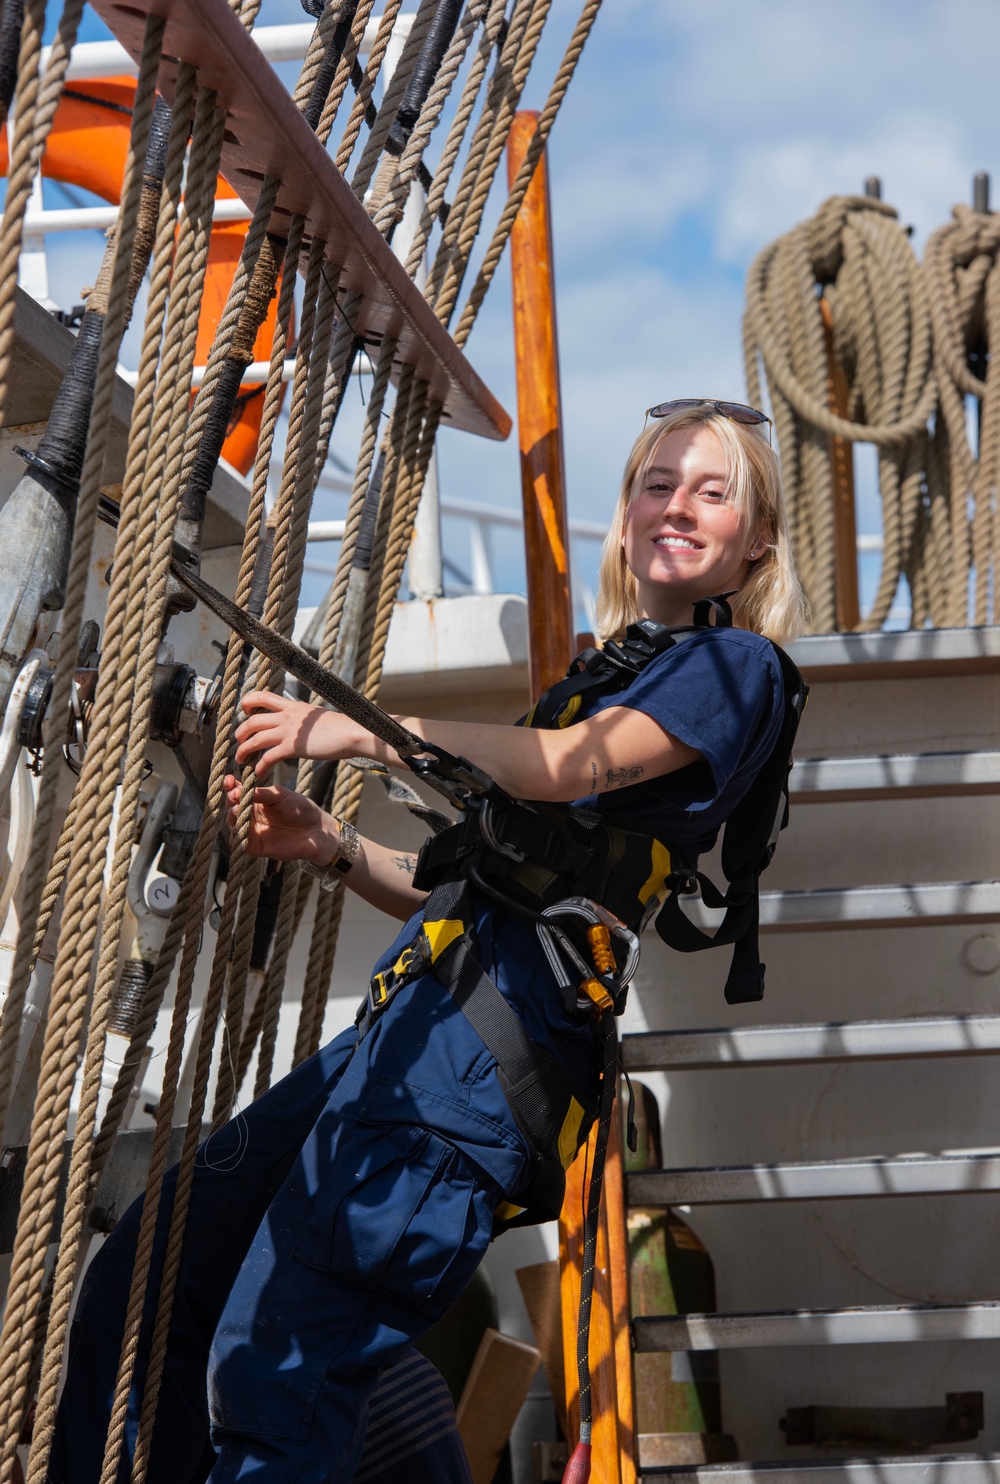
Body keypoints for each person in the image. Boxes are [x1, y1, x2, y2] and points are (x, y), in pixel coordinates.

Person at [51, 400, 806, 1484]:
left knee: (280, 1368)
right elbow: (467, 890)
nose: (675, 506)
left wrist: (353, 728)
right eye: (656, 482)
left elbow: (571, 766)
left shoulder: (734, 668)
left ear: (756, 538)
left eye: (711, 490)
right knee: (141, 1283)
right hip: (404, 1040)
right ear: (627, 509)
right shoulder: (608, 674)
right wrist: (332, 844)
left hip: (472, 1075)